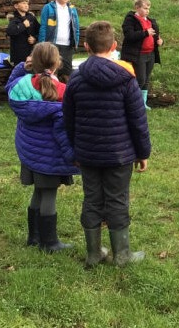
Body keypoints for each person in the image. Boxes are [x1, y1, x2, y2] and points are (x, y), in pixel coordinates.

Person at [63, 21, 151, 267]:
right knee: (117, 200)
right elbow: (138, 121)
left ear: (86, 46)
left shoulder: (75, 80)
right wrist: (143, 152)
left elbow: (68, 120)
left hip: (87, 154)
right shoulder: (127, 79)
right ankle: (121, 255)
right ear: (114, 46)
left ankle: (94, 253)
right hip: (119, 155)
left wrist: (74, 151)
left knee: (92, 199)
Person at [7, 43, 79, 253]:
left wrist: (21, 68)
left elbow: (9, 86)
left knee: (39, 191)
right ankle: (50, 242)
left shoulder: (21, 86)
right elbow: (63, 132)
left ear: (33, 62)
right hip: (50, 155)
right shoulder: (63, 92)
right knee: (48, 194)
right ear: (57, 64)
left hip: (31, 152)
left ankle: (34, 237)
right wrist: (73, 155)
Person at [121, 0, 164, 110]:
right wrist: (145, 33)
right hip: (138, 54)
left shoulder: (150, 21)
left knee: (146, 80)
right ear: (137, 7)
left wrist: (160, 41)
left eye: (148, 8)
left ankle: (143, 103)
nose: (147, 11)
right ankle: (132, 103)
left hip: (150, 54)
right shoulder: (130, 20)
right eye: (145, 8)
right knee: (140, 79)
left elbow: (156, 36)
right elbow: (129, 35)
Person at [38, 0, 80, 81]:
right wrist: (42, 44)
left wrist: (76, 42)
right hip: (52, 44)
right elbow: (43, 27)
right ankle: (51, 89)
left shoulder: (72, 9)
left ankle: (66, 89)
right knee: (52, 70)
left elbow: (76, 27)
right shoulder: (48, 8)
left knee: (67, 72)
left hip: (67, 45)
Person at [5, 0, 40, 66]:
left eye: (27, 3)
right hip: (18, 54)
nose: (26, 5)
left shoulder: (31, 18)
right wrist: (23, 25)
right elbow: (10, 32)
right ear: (16, 6)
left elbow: (40, 30)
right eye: (23, 3)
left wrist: (35, 38)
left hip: (32, 52)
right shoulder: (13, 19)